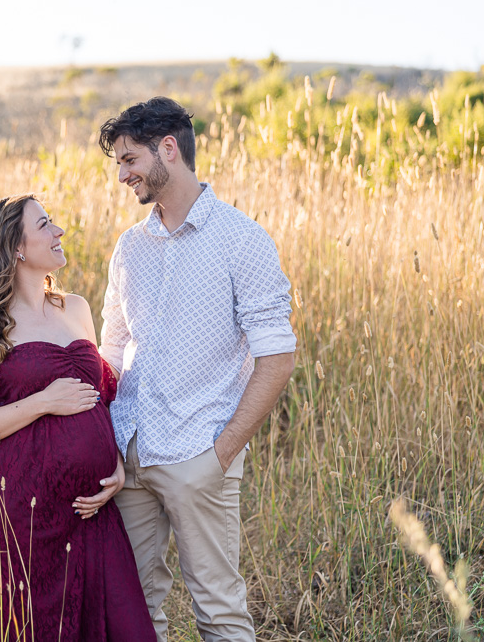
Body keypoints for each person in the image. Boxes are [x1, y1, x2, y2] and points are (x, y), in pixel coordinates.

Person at [95, 97, 297, 642]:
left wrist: (222, 454)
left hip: (199, 454)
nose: (122, 175)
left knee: (219, 611)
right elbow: (111, 351)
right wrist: (104, 440)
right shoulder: (129, 247)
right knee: (132, 612)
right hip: (130, 456)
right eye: (118, 163)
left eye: (129, 159)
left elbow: (277, 355)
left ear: (168, 149)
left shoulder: (242, 240)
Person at [0, 195, 155, 642]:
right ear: (16, 245)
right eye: (45, 224)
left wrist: (112, 463)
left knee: (125, 628)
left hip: (92, 512)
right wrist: (42, 402)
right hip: (20, 518)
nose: (59, 232)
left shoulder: (75, 308)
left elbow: (98, 400)